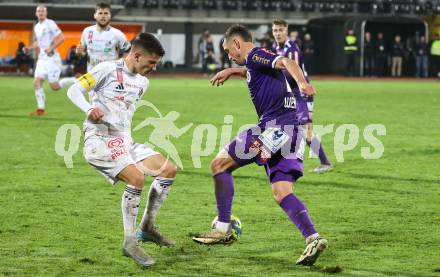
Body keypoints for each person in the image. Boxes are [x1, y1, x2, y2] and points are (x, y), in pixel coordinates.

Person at [192, 24, 328, 267]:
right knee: (282, 192)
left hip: (273, 130)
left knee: (219, 165)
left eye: (228, 50)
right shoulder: (254, 64)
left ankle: (223, 227)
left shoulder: (255, 54)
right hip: (292, 132)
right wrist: (232, 70)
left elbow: (287, 62)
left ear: (236, 43)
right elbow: (255, 72)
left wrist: (303, 84)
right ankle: (313, 238)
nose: (228, 54)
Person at [67, 33, 176, 268]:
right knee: (136, 177)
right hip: (99, 141)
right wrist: (88, 108)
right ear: (136, 56)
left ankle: (147, 227)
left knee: (168, 169)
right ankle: (129, 242)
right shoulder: (105, 69)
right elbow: (74, 90)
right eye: (151, 63)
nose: (154, 68)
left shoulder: (143, 82)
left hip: (124, 142)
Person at [272, 19, 332, 173]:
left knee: (306, 130)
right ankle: (283, 162)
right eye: (275, 30)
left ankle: (325, 163)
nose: (277, 33)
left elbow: (293, 75)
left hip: (301, 94)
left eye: (280, 30)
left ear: (286, 31)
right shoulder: (275, 47)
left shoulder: (292, 50)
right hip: (287, 95)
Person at [26, 5, 76, 116]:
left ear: (46, 13)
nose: (41, 13)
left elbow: (62, 37)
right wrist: (29, 47)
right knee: (37, 82)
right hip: (42, 59)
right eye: (39, 11)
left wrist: (51, 47)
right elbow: (38, 42)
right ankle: (41, 109)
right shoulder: (37, 26)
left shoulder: (50, 23)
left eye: (43, 11)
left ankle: (76, 79)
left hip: (52, 59)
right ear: (36, 13)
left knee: (54, 86)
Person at [76, 2, 131, 72]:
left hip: (111, 74)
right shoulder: (87, 31)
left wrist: (121, 65)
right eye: (100, 13)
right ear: (95, 15)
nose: (103, 16)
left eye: (106, 13)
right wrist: (79, 51)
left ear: (110, 16)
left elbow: (128, 50)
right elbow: (81, 51)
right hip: (92, 73)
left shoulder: (118, 34)